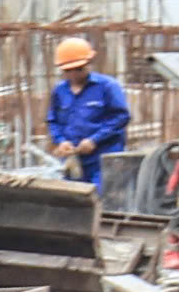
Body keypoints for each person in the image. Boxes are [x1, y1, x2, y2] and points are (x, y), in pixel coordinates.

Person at [46, 36, 127, 184]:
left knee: (102, 199)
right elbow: (53, 121)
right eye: (68, 70)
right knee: (75, 202)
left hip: (103, 160)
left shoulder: (108, 87)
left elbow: (120, 117)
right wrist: (61, 141)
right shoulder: (60, 91)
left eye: (79, 69)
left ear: (89, 64)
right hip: (74, 161)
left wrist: (94, 140)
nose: (74, 74)